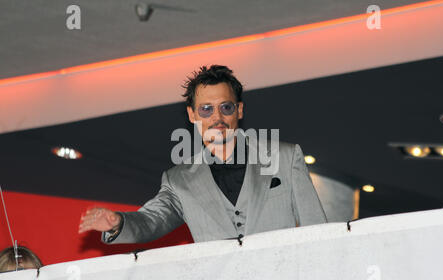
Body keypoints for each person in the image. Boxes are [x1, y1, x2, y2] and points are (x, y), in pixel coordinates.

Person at [78, 65, 327, 244]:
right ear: (192, 115)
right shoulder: (179, 180)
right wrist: (119, 223)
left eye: (225, 107)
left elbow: (319, 234)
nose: (217, 117)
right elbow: (151, 220)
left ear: (239, 110)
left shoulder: (285, 157)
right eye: (206, 109)